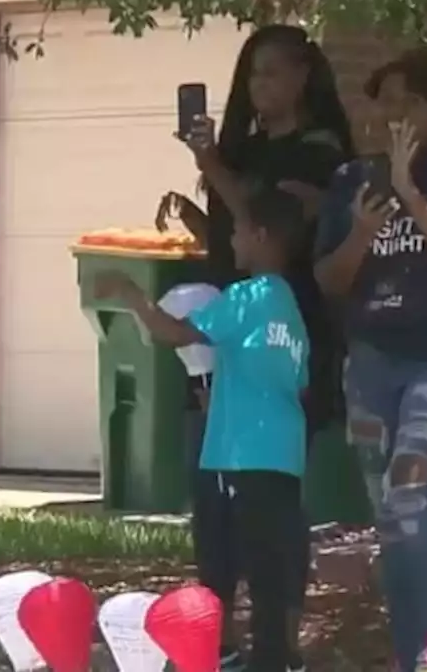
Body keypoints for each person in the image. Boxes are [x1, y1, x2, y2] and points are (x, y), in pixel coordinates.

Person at [157, 23, 355, 672]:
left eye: (272, 72)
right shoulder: (246, 148)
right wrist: (199, 209)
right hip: (231, 326)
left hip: (282, 328)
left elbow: (272, 225)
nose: (259, 85)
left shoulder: (318, 148)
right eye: (252, 74)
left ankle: (277, 641)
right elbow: (237, 227)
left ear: (304, 76)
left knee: (270, 499)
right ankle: (218, 636)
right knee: (216, 495)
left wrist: (211, 163)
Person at [314, 48, 427, 672]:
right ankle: (415, 653)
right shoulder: (349, 181)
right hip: (371, 365)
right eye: (385, 101)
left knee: (413, 489)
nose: (394, 113)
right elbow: (330, 280)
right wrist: (363, 231)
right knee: (394, 515)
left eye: (409, 101)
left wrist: (411, 195)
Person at [96, 192, 311, 672]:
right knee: (269, 566)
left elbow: (173, 332)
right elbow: (294, 382)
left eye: (236, 230)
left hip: (238, 454)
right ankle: (276, 658)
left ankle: (231, 654)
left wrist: (132, 295)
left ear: (259, 236)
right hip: (283, 454)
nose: (230, 240)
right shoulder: (289, 308)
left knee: (224, 559)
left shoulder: (246, 297)